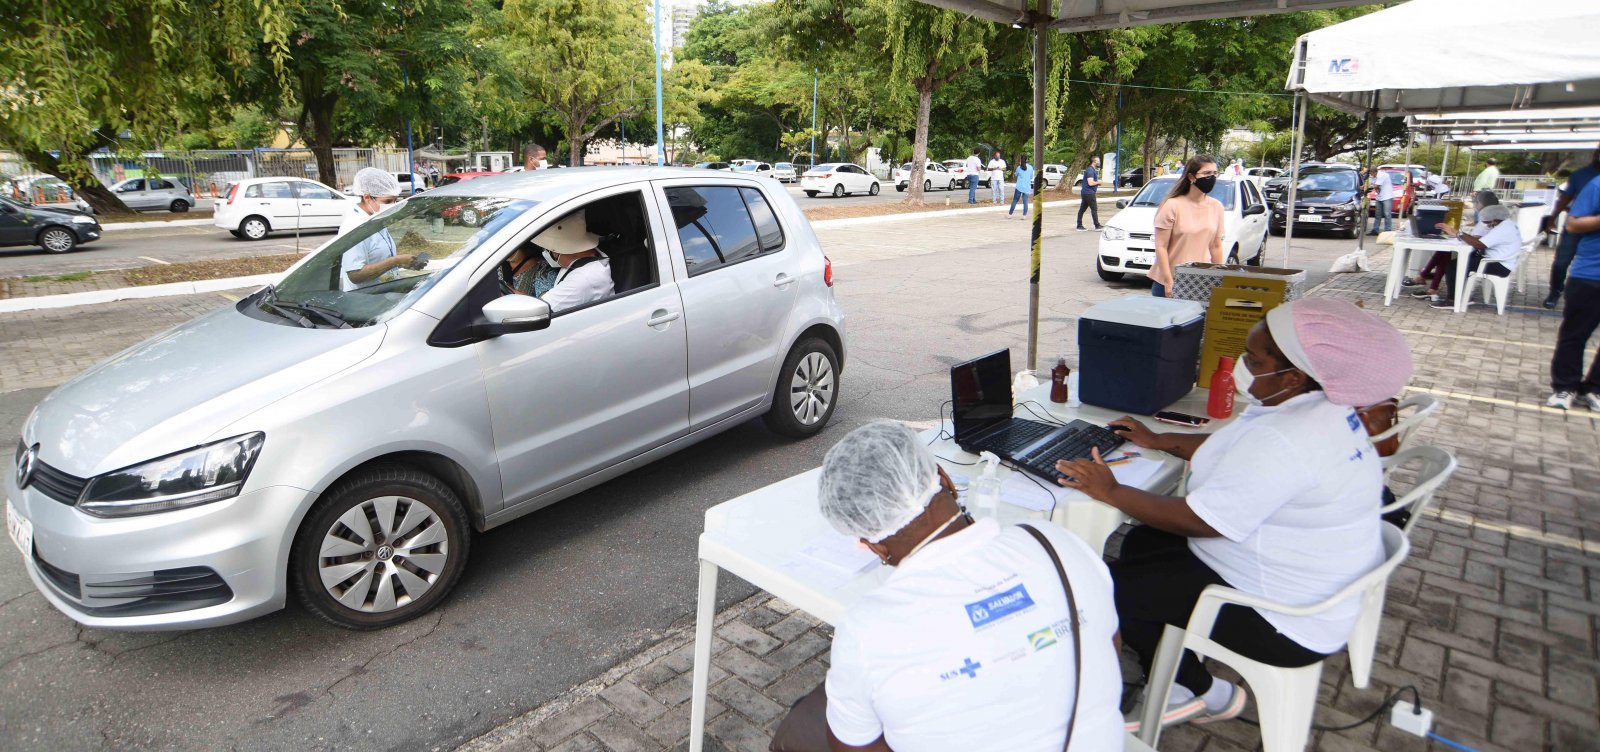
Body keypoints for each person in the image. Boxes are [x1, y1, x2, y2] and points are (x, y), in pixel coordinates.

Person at [1055, 298, 1412, 732]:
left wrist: (1109, 489)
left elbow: (1198, 521)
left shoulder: (1290, 438)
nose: (1241, 364)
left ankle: (1193, 688)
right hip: (1303, 579)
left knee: (1104, 590)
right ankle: (1166, 655)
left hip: (1284, 621)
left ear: (1294, 375)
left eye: (1253, 359)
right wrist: (1160, 439)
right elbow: (1238, 454)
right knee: (1141, 543)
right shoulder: (1322, 408)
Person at [814, 421, 1124, 752]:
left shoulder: (867, 630)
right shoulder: (1056, 544)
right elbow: (1108, 646)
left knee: (809, 718)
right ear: (944, 479)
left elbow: (854, 747)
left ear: (875, 546)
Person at [1547, 174, 1600, 411]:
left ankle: (1594, 388)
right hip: (1590, 275)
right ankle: (1565, 386)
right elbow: (1573, 223)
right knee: (1575, 334)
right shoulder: (1596, 185)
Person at [1150, 155, 1225, 298]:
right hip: (1170, 282)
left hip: (1201, 282)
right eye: (1207, 173)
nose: (1212, 177)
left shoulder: (1217, 207)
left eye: (1215, 173)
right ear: (1191, 177)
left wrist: (1218, 277)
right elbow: (1161, 246)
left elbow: (1216, 246)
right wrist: (1168, 282)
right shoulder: (1172, 205)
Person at [1410, 190, 1498, 302]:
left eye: (1477, 202)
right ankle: (1428, 281)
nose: (1475, 205)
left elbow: (1478, 240)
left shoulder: (1488, 219)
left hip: (1484, 253)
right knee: (1445, 252)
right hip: (1483, 250)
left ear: (1482, 204)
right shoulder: (1490, 217)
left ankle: (1435, 287)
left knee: (1448, 257)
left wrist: (1459, 234)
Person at [338, 167, 416, 292]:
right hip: (366, 300)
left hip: (383, 294)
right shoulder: (354, 226)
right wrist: (395, 261)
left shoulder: (375, 218)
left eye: (395, 200)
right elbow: (355, 275)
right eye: (388, 201)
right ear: (367, 197)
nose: (392, 205)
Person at [1429, 204, 1520, 310]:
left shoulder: (1502, 229)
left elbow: (1479, 244)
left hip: (1499, 265)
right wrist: (1468, 237)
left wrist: (1458, 233)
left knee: (1453, 266)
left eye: (1487, 222)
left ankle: (1453, 300)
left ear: (1495, 220)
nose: (1487, 225)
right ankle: (1460, 295)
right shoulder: (1507, 224)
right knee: (1461, 261)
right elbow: (1486, 240)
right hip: (1500, 261)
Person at [1544, 146, 1600, 309]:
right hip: (1577, 225)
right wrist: (1551, 219)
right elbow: (1564, 200)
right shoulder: (1581, 176)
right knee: (1562, 262)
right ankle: (1555, 291)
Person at [533, 211, 612, 312]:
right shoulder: (590, 254)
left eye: (548, 250)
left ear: (558, 251)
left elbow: (539, 310)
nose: (546, 253)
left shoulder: (582, 279)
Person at [1077, 156, 1102, 231]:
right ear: (1094, 161)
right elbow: (1090, 183)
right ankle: (1097, 226)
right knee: (1094, 209)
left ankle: (1079, 225)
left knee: (1082, 209)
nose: (1099, 162)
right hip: (1089, 193)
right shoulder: (1090, 170)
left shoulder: (1091, 170)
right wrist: (1099, 182)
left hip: (1085, 192)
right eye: (1098, 161)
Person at [1369, 167, 1395, 236]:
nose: (1371, 175)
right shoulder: (1374, 177)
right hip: (1379, 197)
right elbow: (1371, 184)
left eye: (1371, 174)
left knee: (1387, 214)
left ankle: (1387, 230)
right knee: (1378, 215)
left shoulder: (1382, 175)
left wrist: (1366, 188)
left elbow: (1376, 186)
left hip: (1387, 197)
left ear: (1374, 172)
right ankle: (1375, 230)